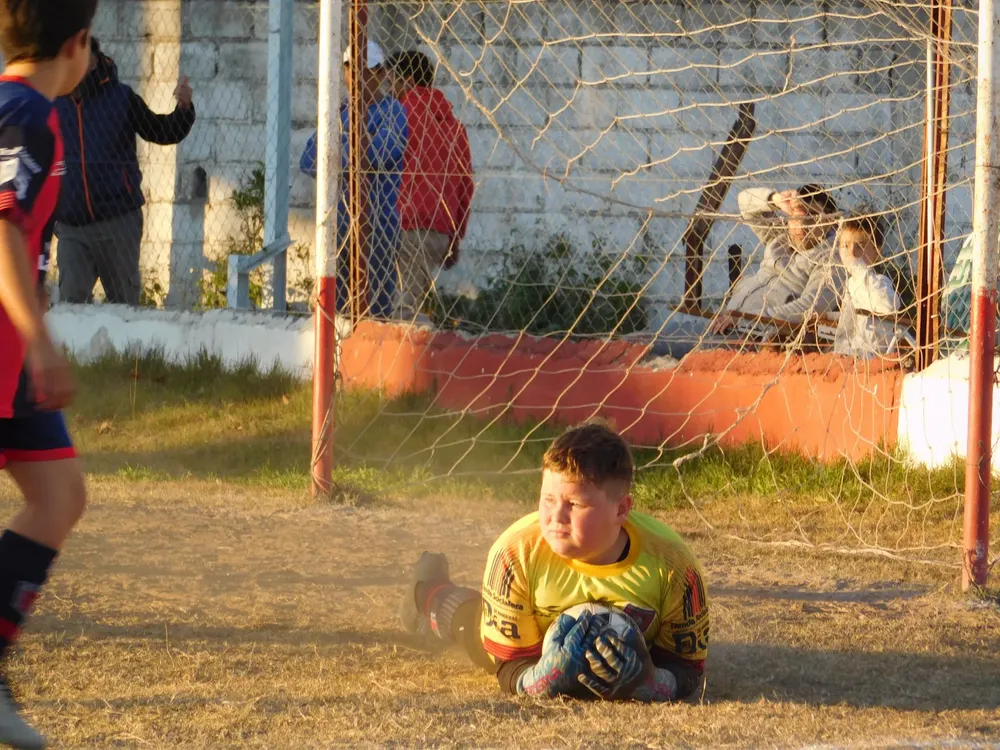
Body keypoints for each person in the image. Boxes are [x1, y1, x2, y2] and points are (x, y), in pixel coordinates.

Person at [400, 422, 710, 702]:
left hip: (641, 646)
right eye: (548, 499)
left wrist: (652, 681)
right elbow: (508, 667)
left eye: (574, 503)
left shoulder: (673, 567)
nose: (555, 517)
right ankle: (427, 590)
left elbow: (686, 668)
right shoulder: (515, 553)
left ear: (621, 509)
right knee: (468, 621)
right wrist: (538, 678)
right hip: (527, 639)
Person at [0, 1, 96, 746]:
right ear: (78, 43)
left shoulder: (34, 110)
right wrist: (38, 338)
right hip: (8, 346)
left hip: (14, 351)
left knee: (60, 494)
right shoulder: (20, 113)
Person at [53, 35, 195, 306]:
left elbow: (162, 131)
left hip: (117, 223)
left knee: (124, 309)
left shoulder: (121, 99)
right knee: (68, 311)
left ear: (93, 62)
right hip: (72, 229)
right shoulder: (54, 104)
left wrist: (183, 109)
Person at [300, 39, 407, 319]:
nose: (356, 77)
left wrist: (337, 151)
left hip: (379, 224)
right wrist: (354, 150)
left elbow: (375, 155)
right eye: (350, 69)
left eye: (366, 70)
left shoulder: (393, 111)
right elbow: (309, 160)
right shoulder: (338, 113)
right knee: (337, 309)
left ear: (381, 74)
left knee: (376, 308)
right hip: (339, 226)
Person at [385, 50, 473, 321]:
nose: (389, 88)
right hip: (440, 231)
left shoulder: (399, 115)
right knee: (411, 302)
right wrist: (455, 238)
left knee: (403, 311)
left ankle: (406, 360)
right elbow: (465, 185)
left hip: (406, 225)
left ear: (408, 81)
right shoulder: (454, 126)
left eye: (392, 80)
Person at [832, 213, 906, 358]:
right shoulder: (849, 283)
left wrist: (859, 269)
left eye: (859, 246)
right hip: (851, 351)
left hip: (875, 353)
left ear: (877, 250)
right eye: (845, 246)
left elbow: (889, 306)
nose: (852, 253)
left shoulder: (879, 281)